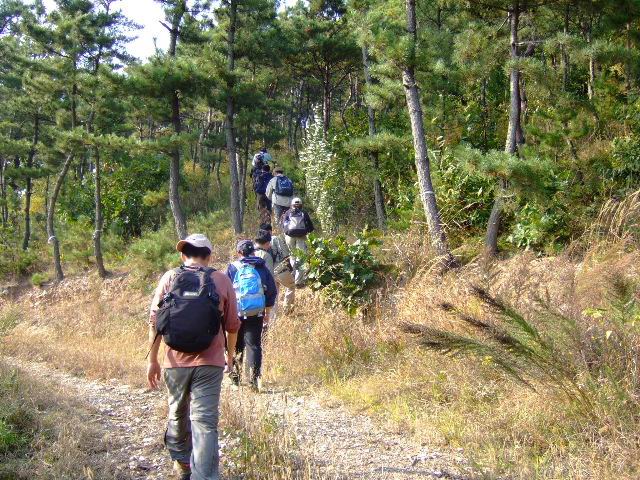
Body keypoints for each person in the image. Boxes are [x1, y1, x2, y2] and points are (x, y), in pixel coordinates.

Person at [147, 234, 239, 480]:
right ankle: (204, 476)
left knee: (177, 413)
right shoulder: (221, 280)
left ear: (182, 255)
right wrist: (230, 356)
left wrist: (152, 360)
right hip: (210, 363)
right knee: (205, 423)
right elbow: (232, 325)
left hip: (174, 362)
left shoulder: (169, 278)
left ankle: (182, 462)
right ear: (209, 256)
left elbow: (155, 322)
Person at [226, 240, 277, 391]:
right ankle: (254, 381)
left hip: (236, 312)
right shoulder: (261, 267)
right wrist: (267, 312)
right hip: (256, 312)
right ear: (253, 251)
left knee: (236, 344)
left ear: (239, 252)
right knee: (254, 345)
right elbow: (272, 291)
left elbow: (225, 291)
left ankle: (235, 379)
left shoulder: (232, 268)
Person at [255, 229, 296, 317]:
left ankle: (273, 315)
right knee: (291, 286)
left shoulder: (252, 251)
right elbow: (285, 254)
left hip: (257, 286)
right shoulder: (275, 241)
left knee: (274, 295)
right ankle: (286, 310)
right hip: (279, 271)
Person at [281, 198, 314, 286]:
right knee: (301, 257)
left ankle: (294, 273)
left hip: (289, 237)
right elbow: (310, 227)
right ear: (301, 205)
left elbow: (283, 226)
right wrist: (306, 231)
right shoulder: (304, 213)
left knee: (293, 255)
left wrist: (287, 233)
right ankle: (298, 281)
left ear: (291, 205)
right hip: (301, 237)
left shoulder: (287, 212)